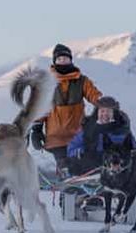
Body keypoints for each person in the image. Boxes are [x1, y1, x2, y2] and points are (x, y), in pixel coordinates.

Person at [31, 43, 102, 173]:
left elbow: (94, 96)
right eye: (59, 59)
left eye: (65, 58)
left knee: (84, 167)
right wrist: (36, 129)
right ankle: (68, 191)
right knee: (67, 170)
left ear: (70, 60)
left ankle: (82, 191)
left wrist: (104, 106)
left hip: (78, 136)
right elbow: (41, 107)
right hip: (56, 138)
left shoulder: (82, 81)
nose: (63, 61)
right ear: (54, 62)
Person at [66, 96, 136, 175]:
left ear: (114, 113)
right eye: (102, 111)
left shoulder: (122, 129)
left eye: (108, 111)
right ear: (97, 112)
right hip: (89, 167)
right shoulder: (88, 129)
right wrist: (81, 152)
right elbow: (72, 149)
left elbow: (133, 149)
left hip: (115, 167)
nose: (105, 114)